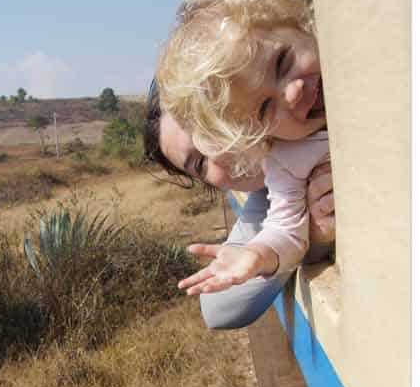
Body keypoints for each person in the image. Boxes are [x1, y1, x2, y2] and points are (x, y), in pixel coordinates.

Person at [156, 0, 329, 296]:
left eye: (282, 61)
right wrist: (256, 254)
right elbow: (285, 230)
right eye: (265, 109)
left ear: (299, 22)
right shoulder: (287, 160)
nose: (291, 94)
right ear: (257, 137)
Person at [142, 79, 334, 330]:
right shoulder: (269, 194)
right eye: (200, 163)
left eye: (213, 126)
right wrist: (305, 235)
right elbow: (219, 309)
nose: (220, 153)